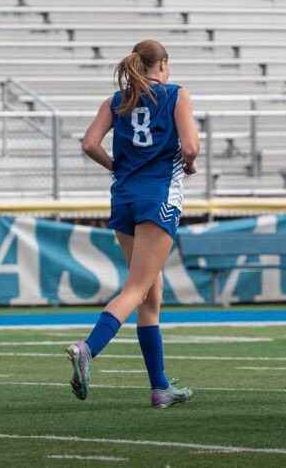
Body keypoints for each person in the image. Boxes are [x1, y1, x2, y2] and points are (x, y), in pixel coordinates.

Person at [68, 40, 199, 408]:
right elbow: (190, 148)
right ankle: (87, 348)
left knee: (151, 296)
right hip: (158, 196)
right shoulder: (176, 94)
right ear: (164, 64)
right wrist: (189, 165)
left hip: (123, 195)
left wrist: (117, 167)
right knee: (138, 289)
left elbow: (90, 144)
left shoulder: (117, 100)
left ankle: (160, 388)